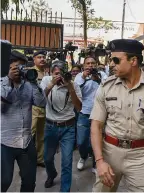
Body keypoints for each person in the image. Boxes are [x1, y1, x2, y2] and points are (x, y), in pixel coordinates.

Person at [90, 39, 144, 192]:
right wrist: (100, 161)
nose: (111, 64)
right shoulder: (107, 87)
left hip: (140, 156)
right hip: (110, 152)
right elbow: (96, 125)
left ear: (133, 60)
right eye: (110, 60)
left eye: (116, 60)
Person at [1, 50, 46, 192]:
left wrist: (34, 84)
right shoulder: (1, 83)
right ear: (9, 67)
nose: (20, 71)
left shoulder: (28, 85)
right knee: (4, 181)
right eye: (17, 67)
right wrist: (9, 81)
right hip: (5, 142)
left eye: (23, 67)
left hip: (26, 142)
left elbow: (41, 103)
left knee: (29, 182)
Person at [40, 60, 82, 192]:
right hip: (50, 125)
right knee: (47, 158)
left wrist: (70, 88)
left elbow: (79, 107)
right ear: (51, 73)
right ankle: (52, 174)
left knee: (67, 162)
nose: (59, 77)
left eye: (61, 74)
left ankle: (65, 190)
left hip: (68, 127)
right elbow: (40, 101)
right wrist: (51, 85)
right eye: (56, 74)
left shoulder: (73, 84)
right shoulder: (47, 80)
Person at [74, 56, 101, 174]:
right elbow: (75, 91)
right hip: (84, 112)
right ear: (84, 65)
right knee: (81, 141)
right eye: (88, 63)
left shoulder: (102, 75)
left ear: (96, 64)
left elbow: (106, 90)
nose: (90, 65)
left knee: (96, 140)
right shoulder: (79, 76)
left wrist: (97, 79)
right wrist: (84, 77)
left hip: (98, 114)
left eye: (93, 63)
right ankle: (83, 156)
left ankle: (95, 162)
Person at [31, 50, 47, 167]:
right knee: (30, 135)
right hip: (32, 108)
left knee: (41, 136)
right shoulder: (30, 72)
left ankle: (39, 159)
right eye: (39, 57)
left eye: (43, 57)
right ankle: (27, 160)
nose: (42, 59)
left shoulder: (47, 73)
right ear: (34, 60)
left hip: (45, 108)